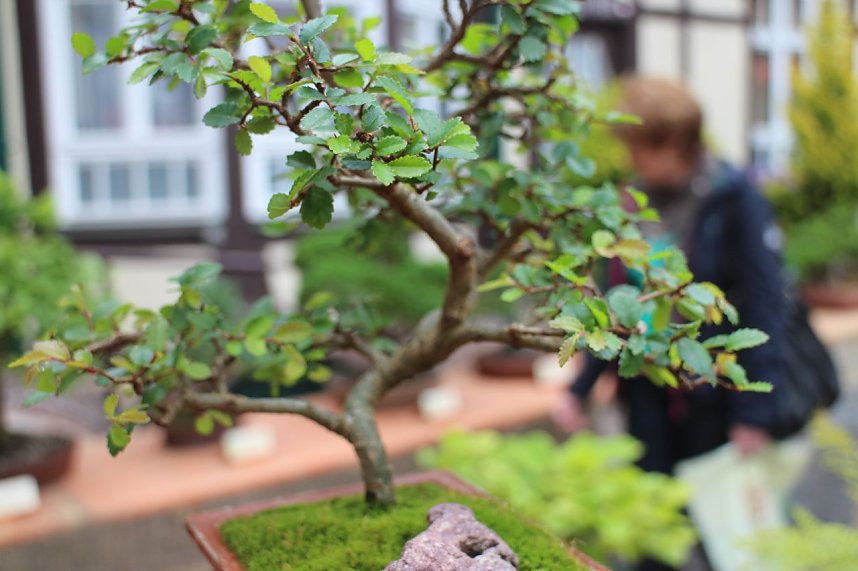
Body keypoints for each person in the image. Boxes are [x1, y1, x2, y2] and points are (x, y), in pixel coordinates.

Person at [553, 76, 787, 571]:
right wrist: (579, 388)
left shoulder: (733, 199)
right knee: (652, 522)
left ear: (675, 142)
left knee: (718, 527)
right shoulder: (631, 204)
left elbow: (767, 302)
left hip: (712, 394)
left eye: (640, 148)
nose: (632, 160)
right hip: (644, 391)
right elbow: (613, 308)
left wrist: (754, 414)